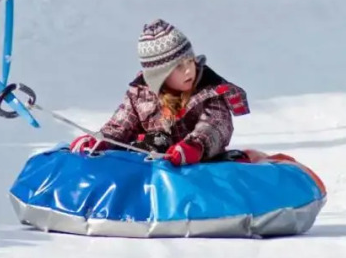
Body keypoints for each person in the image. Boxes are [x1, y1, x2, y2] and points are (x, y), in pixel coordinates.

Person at [70, 19, 249, 165]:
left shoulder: (211, 92)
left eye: (190, 62)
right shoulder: (139, 95)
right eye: (178, 67)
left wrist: (195, 146)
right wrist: (100, 140)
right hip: (153, 169)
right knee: (153, 142)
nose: (188, 71)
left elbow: (215, 126)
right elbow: (119, 126)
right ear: (159, 77)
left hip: (199, 167)